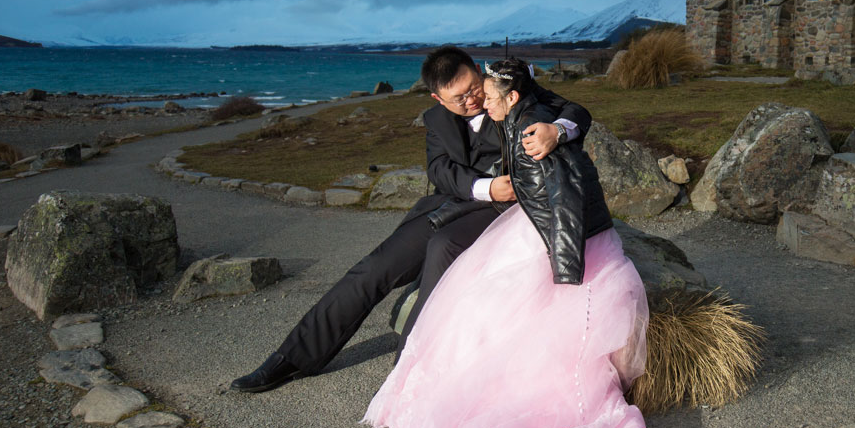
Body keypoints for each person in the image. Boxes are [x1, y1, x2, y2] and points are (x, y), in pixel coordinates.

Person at [341, 59, 648, 428]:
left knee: (520, 329)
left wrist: (564, 270)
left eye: (485, 93)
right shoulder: (491, 102)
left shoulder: (532, 128)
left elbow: (568, 196)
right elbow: (447, 169)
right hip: (508, 216)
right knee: (467, 299)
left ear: (508, 97)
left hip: (550, 237)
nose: (479, 100)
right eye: (471, 93)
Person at [229, 45, 593, 392]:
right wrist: (484, 187)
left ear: (479, 72)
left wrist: (555, 130)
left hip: (504, 212)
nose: (472, 101)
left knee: (441, 249)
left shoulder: (508, 89)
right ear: (437, 99)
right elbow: (439, 169)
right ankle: (291, 358)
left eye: (472, 89)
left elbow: (576, 111)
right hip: (454, 204)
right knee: (372, 269)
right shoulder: (436, 119)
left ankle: (407, 369)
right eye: (458, 98)